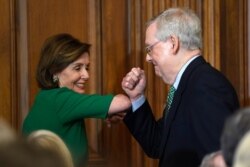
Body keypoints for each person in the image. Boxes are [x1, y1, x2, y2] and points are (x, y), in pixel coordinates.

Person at [121, 7, 239, 167]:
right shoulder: (187, 83)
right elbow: (157, 144)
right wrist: (136, 97)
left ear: (172, 43)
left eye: (150, 48)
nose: (147, 58)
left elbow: (220, 160)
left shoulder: (206, 86)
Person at [22, 33, 131, 166]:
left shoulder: (48, 97)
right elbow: (123, 102)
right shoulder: (60, 99)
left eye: (87, 68)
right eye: (77, 68)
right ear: (54, 71)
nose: (86, 75)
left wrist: (108, 113)